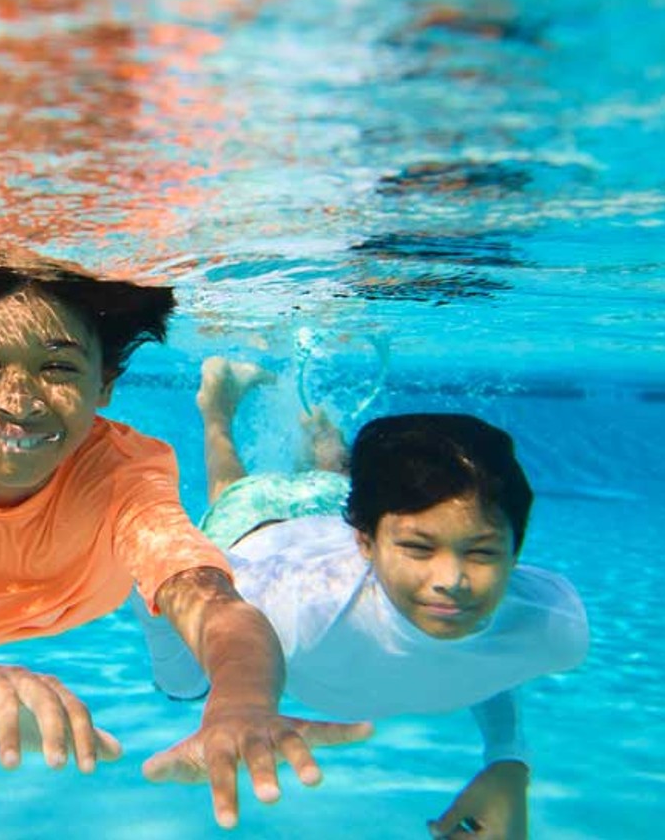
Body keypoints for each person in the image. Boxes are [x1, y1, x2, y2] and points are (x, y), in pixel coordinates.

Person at [0, 246, 370, 831]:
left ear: (105, 385)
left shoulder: (124, 473)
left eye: (59, 367)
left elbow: (212, 601)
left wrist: (243, 700)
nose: (18, 401)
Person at [134, 357, 589, 839]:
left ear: (517, 550)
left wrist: (507, 764)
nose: (451, 580)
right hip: (257, 532)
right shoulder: (299, 606)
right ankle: (218, 409)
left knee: (336, 481)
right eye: (418, 550)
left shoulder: (552, 625)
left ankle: (318, 425)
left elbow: (499, 653)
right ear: (365, 543)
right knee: (233, 489)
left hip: (331, 512)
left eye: (482, 552)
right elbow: (207, 610)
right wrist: (239, 701)